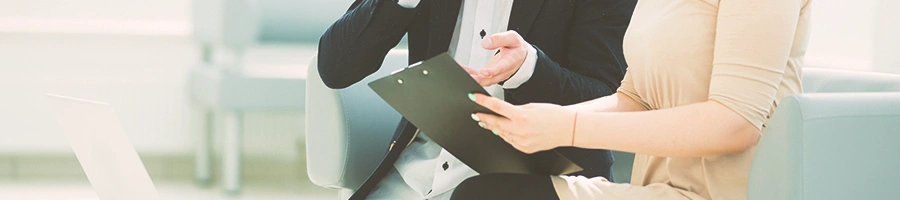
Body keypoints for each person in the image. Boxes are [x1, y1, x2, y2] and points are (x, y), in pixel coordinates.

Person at [454, 0, 812, 199]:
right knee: (480, 192)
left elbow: (735, 124)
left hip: (725, 194)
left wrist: (567, 126)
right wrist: (536, 121)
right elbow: (635, 95)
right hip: (656, 189)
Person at [317, 0, 638, 199]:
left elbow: (605, 100)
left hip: (530, 185)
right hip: (414, 174)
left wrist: (528, 68)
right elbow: (336, 68)